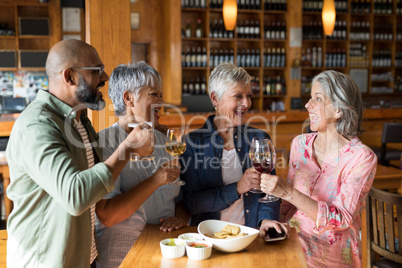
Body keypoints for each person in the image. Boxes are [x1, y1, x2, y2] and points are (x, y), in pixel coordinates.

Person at [5, 40, 152, 267]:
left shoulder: (79, 120)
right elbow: (75, 195)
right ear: (69, 77)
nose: (105, 78)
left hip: (84, 257)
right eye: (96, 71)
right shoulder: (37, 126)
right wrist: (128, 147)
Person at [259, 70, 377, 267]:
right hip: (293, 243)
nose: (307, 104)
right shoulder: (300, 144)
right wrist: (271, 222)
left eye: (318, 98)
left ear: (338, 110)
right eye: (310, 97)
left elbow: (340, 219)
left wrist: (287, 192)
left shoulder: (362, 157)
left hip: (333, 255)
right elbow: (287, 206)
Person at [95, 62, 190, 268]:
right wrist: (156, 180)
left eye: (161, 95)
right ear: (128, 98)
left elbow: (180, 198)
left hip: (167, 255)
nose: (162, 102)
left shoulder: (165, 141)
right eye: (154, 94)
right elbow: (108, 216)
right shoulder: (103, 145)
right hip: (123, 259)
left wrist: (180, 218)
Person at [180, 62, 280, 228]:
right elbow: (192, 203)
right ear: (215, 99)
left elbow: (270, 193)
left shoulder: (260, 138)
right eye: (238, 96)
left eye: (249, 96)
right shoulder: (192, 143)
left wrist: (267, 220)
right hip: (210, 239)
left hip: (252, 236)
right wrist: (238, 188)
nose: (247, 103)